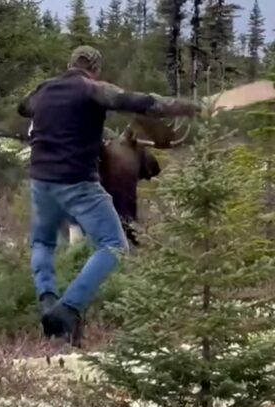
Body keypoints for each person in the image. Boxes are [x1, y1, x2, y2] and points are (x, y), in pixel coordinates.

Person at [17, 46, 203, 347]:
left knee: (42, 242)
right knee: (114, 245)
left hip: (40, 181)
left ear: (69, 64)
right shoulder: (94, 89)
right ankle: (68, 309)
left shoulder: (45, 90)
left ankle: (48, 301)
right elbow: (144, 103)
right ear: (95, 69)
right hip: (77, 183)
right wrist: (190, 106)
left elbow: (24, 107)